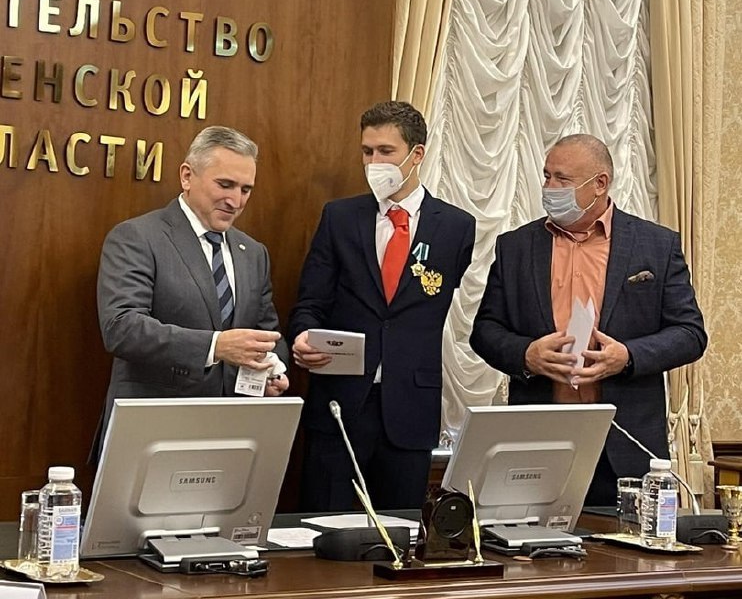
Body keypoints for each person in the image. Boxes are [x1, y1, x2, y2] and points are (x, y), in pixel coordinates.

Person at [470, 134, 707, 506]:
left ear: (600, 184)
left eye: (562, 179)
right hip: (537, 441)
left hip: (625, 445)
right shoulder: (515, 246)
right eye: (547, 176)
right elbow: (485, 331)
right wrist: (526, 354)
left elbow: (690, 333)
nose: (550, 188)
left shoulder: (656, 245)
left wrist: (627, 356)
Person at [288, 101, 476, 511]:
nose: (373, 162)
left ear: (416, 154)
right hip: (340, 404)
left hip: (410, 407)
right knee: (326, 527)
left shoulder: (456, 227)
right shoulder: (340, 218)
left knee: (401, 531)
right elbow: (310, 302)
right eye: (367, 151)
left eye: (386, 152)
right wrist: (302, 336)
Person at [95, 126, 289, 448]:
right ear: (187, 176)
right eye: (225, 185)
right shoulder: (138, 237)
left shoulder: (253, 252)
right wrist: (215, 346)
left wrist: (272, 371)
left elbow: (267, 334)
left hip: (231, 433)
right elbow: (122, 328)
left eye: (246, 189)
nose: (235, 200)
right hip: (153, 428)